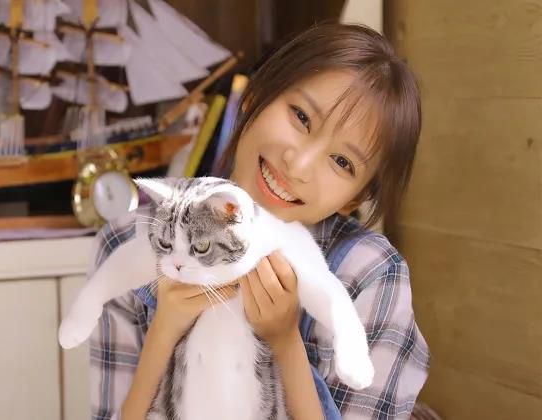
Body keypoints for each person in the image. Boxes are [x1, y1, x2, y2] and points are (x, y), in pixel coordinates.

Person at [88, 23, 430, 420]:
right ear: (253, 98)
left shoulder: (370, 275)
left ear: (353, 198)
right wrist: (165, 329)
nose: (298, 165)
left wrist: (285, 342)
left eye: (342, 162)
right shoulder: (129, 240)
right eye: (301, 117)